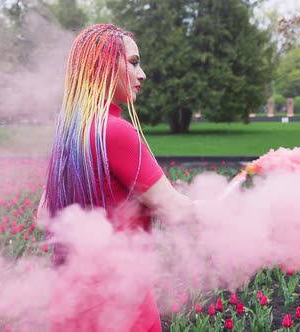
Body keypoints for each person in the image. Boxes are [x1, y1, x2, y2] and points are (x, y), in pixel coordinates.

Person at [37, 24, 195, 331]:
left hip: (70, 304)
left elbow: (44, 216)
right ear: (105, 66)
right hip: (122, 305)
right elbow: (175, 210)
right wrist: (235, 201)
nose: (142, 74)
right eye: (134, 62)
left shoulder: (69, 134)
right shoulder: (116, 131)